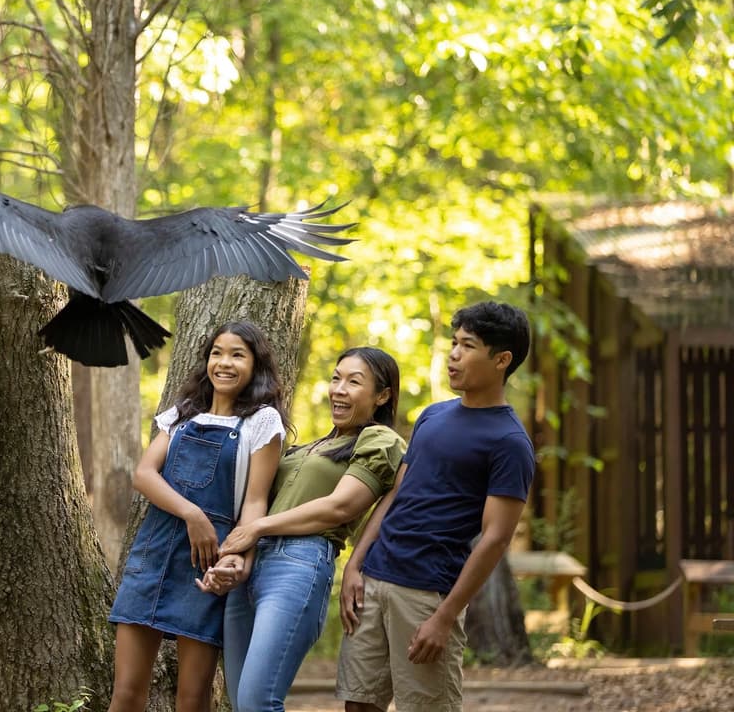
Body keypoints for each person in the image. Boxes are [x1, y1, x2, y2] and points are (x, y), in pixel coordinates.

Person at [335, 301, 534, 712]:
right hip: (375, 580)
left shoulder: (510, 442)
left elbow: (495, 539)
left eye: (468, 346)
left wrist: (445, 617)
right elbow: (396, 495)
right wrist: (356, 564)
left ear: (501, 360)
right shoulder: (432, 416)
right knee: (358, 705)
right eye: (454, 342)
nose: (454, 354)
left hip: (427, 592)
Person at [199, 346, 407, 712]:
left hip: (298, 565)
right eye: (336, 378)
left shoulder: (379, 441)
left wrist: (258, 528)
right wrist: (235, 557)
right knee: (240, 703)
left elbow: (340, 507)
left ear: (383, 395)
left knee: (256, 702)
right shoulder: (306, 448)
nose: (338, 389)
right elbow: (255, 502)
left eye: (354, 382)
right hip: (251, 568)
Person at [107, 320, 287, 712]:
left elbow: (255, 504)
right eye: (217, 353)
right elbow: (143, 475)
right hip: (152, 554)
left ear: (256, 365)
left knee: (192, 698)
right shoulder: (181, 414)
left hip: (208, 563)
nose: (224, 363)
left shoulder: (262, 422)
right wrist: (193, 515)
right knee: (125, 693)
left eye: (238, 354)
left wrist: (237, 557)